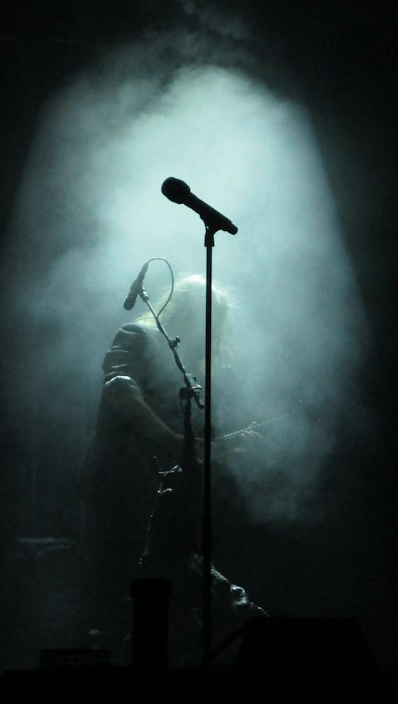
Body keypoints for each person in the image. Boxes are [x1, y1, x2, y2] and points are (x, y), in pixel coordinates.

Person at [76, 273, 265, 664]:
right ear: (185, 312)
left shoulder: (185, 369)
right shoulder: (137, 335)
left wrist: (217, 449)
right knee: (117, 599)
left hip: (157, 500)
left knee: (164, 608)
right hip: (117, 494)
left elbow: (185, 443)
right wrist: (181, 443)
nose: (210, 330)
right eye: (206, 317)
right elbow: (118, 389)